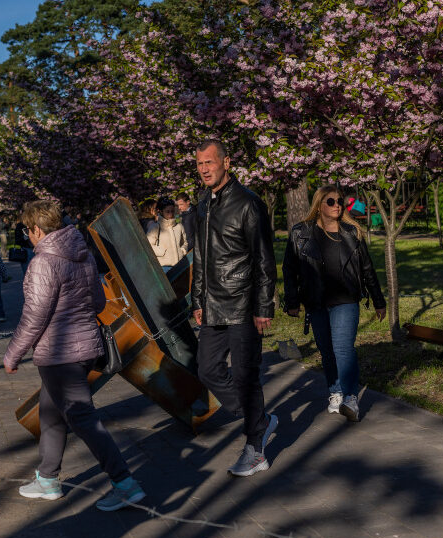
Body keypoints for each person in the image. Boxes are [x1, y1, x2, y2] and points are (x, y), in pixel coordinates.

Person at [4, 199, 146, 511]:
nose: (28, 236)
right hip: (84, 349)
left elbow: (34, 316)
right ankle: (48, 479)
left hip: (59, 354)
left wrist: (13, 353)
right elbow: (98, 303)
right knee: (51, 415)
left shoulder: (43, 262)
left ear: (38, 229)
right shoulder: (83, 255)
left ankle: (125, 483)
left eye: (28, 230)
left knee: (83, 419)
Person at [191, 139, 278, 477]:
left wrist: (264, 305)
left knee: (245, 375)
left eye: (209, 162)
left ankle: (255, 450)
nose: (204, 169)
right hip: (212, 305)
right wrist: (198, 301)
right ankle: (261, 420)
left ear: (226, 162)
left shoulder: (248, 204)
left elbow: (263, 260)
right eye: (199, 164)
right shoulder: (203, 205)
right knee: (207, 370)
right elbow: (200, 256)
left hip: (243, 304)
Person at [283, 185, 386, 422]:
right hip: (315, 301)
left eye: (340, 201)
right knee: (327, 351)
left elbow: (367, 269)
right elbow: (289, 269)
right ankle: (335, 392)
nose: (337, 205)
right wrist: (292, 301)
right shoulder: (301, 232)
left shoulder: (352, 233)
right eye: (331, 201)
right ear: (319, 205)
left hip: (346, 300)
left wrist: (379, 301)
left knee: (343, 348)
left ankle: (351, 397)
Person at [147, 198, 188, 271]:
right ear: (161, 211)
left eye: (172, 211)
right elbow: (148, 245)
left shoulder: (179, 226)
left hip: (179, 265)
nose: (170, 214)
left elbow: (184, 243)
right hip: (164, 267)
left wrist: (182, 251)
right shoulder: (155, 227)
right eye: (167, 211)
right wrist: (162, 252)